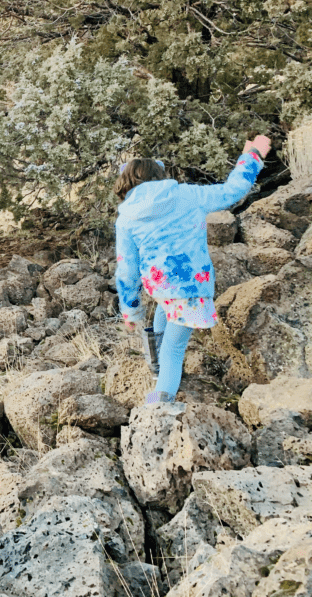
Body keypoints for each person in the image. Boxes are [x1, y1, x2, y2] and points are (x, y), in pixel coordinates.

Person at [114, 135, 270, 404]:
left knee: (165, 309)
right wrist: (252, 155)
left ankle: (156, 365)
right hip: (190, 284)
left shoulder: (126, 215)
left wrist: (131, 310)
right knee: (174, 350)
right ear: (159, 175)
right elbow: (233, 190)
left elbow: (126, 268)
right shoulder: (187, 194)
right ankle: (160, 404)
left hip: (159, 285)